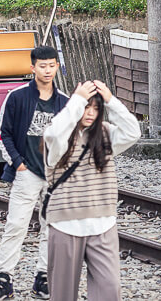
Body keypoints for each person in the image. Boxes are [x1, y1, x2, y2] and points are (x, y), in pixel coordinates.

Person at [0, 46, 69, 301]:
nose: (47, 70)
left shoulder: (64, 102)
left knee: (51, 228)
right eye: (42, 66)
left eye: (52, 65)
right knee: (16, 226)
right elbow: (2, 132)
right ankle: (4, 279)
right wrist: (18, 163)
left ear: (56, 66)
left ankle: (43, 278)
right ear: (33, 68)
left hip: (54, 175)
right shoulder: (17, 97)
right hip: (27, 172)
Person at [43, 81, 140, 301]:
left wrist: (110, 100)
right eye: (87, 107)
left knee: (110, 288)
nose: (90, 113)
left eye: (96, 109)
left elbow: (133, 132)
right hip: (65, 223)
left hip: (102, 222)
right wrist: (77, 99)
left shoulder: (105, 133)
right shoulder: (60, 136)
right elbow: (55, 134)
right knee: (63, 294)